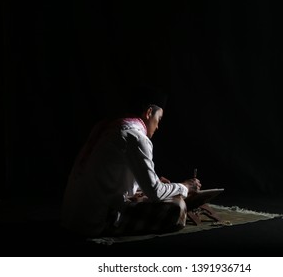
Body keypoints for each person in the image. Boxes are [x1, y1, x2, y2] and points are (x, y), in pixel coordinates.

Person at [61, 87, 201, 237]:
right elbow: (155, 193)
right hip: (94, 223)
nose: (158, 126)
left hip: (71, 220)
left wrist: (152, 183)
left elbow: (110, 178)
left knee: (156, 194)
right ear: (148, 113)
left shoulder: (105, 126)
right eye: (158, 119)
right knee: (177, 206)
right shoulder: (135, 135)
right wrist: (184, 186)